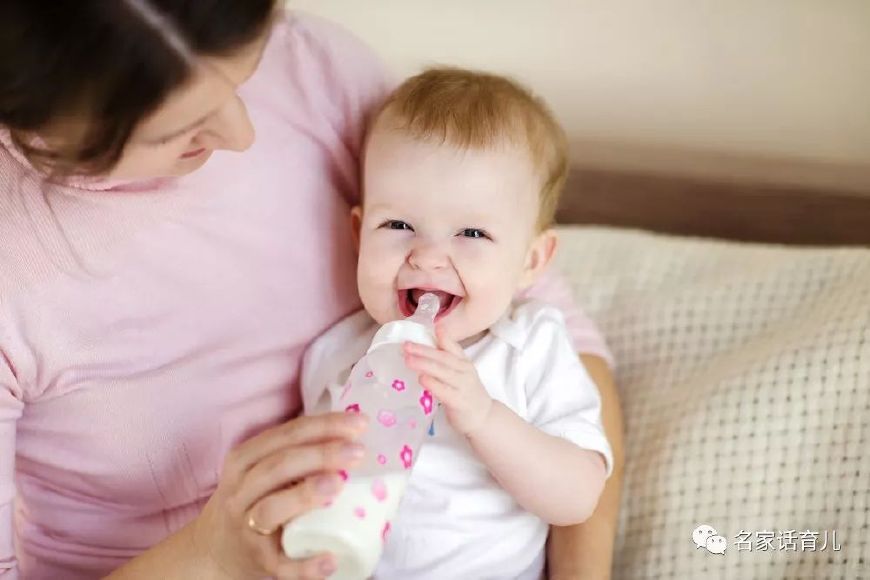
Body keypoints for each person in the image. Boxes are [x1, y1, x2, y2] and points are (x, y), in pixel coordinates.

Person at [0, 2, 624, 579]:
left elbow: (546, 313)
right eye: (176, 129)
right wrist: (209, 553)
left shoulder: (313, 66)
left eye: (247, 73)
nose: (243, 134)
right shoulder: (338, 356)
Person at [298, 67, 612, 579]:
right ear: (359, 233)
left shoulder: (531, 345)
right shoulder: (337, 355)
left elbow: (577, 497)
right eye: (397, 224)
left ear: (531, 260)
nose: (427, 257)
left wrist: (484, 417)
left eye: (471, 233)